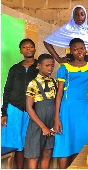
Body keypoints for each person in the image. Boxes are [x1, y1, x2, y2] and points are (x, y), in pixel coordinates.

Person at [53, 38, 88, 168]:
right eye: (75, 49)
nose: (79, 51)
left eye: (81, 48)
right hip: (67, 108)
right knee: (65, 142)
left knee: (80, 142)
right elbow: (59, 93)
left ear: (86, 49)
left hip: (83, 108)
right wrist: (56, 118)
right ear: (70, 51)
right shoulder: (64, 67)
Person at [1, 38, 39, 169]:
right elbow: (7, 90)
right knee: (14, 143)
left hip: (32, 110)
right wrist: (4, 112)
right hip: (14, 108)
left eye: (30, 46)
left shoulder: (40, 67)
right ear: (20, 50)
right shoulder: (15, 69)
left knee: (28, 142)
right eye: (25, 47)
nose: (28, 49)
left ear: (35, 48)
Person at [24, 54, 56, 169]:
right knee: (34, 155)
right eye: (47, 65)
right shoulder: (33, 84)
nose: (50, 68)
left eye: (52, 66)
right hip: (38, 123)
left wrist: (54, 123)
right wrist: (43, 127)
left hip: (51, 122)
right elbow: (29, 108)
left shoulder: (54, 82)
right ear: (39, 65)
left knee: (47, 153)